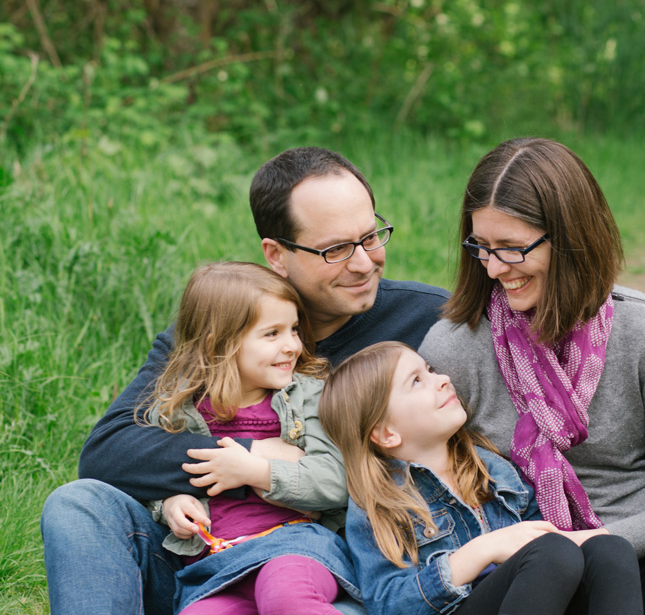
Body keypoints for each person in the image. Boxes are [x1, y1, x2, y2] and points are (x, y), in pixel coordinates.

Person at [41, 147, 448, 614]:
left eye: (371, 237)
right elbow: (110, 451)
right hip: (206, 561)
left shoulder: (428, 323)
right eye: (335, 249)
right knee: (78, 503)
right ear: (276, 254)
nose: (362, 262)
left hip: (333, 567)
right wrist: (251, 455)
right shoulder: (222, 329)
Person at [418, 137, 645, 614]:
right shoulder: (454, 347)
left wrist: (595, 544)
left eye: (512, 248)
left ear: (570, 238)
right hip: (532, 566)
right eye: (481, 247)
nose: (492, 269)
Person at [319, 341, 644, 615]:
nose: (442, 379)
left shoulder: (492, 468)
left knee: (610, 550)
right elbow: (388, 603)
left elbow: (543, 543)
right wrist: (482, 551)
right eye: (416, 381)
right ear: (387, 433)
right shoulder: (378, 503)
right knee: (551, 553)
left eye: (430, 370)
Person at [142, 261, 358, 613]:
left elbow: (337, 481)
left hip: (293, 545)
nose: (292, 345)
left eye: (293, 329)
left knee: (285, 596)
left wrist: (254, 471)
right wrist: (169, 505)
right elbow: (151, 478)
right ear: (218, 344)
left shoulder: (309, 397)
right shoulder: (178, 410)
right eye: (272, 334)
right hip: (218, 563)